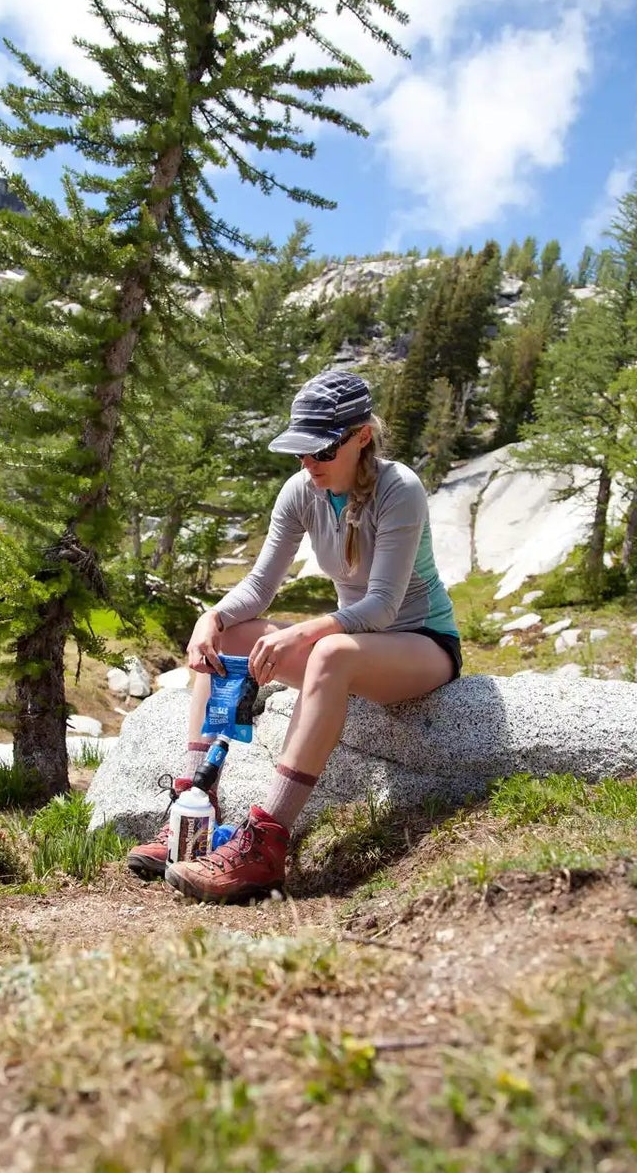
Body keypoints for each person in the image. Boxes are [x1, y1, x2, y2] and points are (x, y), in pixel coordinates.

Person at [127, 370, 461, 903]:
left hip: (419, 645)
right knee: (230, 638)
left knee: (329, 651)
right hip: (353, 647)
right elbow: (260, 586)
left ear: (362, 438)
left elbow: (382, 606)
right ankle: (192, 807)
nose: (309, 464)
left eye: (321, 451)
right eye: (299, 452)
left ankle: (264, 846)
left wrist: (303, 632)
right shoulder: (302, 490)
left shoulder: (399, 489)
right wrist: (210, 617)